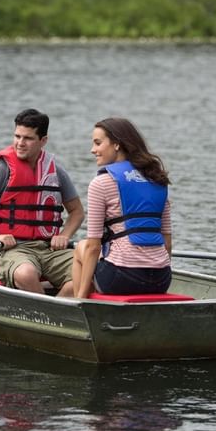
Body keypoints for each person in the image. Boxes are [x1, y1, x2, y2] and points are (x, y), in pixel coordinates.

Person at [0, 108, 84, 296]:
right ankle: (50, 314)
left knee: (91, 269)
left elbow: (77, 212)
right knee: (26, 274)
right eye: (17, 136)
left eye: (28, 138)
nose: (20, 143)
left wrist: (65, 234)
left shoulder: (55, 171)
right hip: (12, 250)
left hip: (49, 250)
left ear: (43, 141)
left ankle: (57, 311)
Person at [72, 117, 172, 299]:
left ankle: (83, 308)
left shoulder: (101, 183)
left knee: (82, 246)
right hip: (161, 278)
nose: (92, 150)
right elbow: (167, 242)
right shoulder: (157, 178)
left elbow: (93, 247)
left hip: (122, 278)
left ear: (116, 145)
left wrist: (80, 297)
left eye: (98, 143)